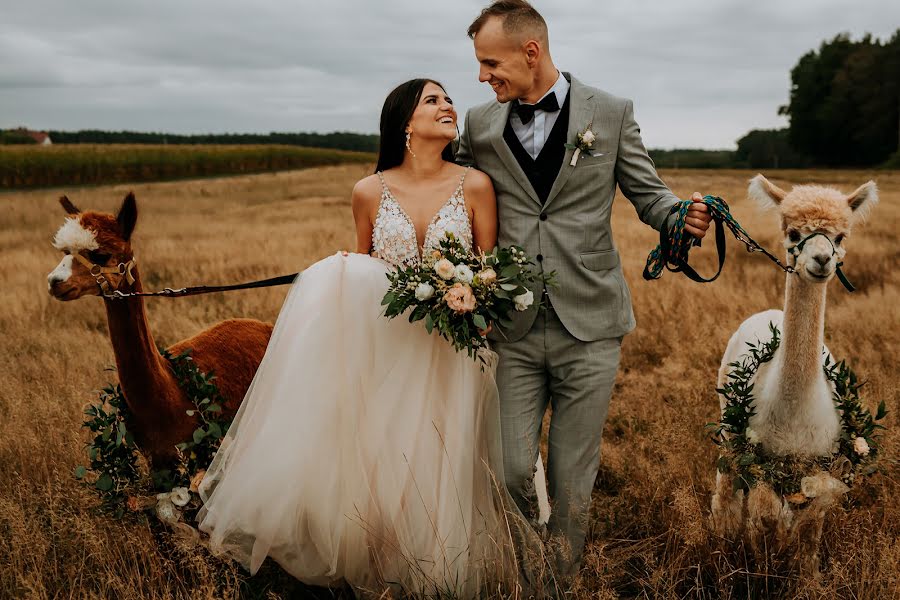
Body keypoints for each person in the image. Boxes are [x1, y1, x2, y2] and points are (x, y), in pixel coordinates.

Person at [197, 78, 542, 598]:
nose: (448, 106)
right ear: (405, 121)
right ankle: (375, 560)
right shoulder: (368, 191)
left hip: (452, 350)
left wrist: (471, 300)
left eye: (449, 99)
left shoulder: (475, 185)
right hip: (385, 346)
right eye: (433, 100)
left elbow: (487, 268)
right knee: (381, 458)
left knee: (443, 460)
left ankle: (436, 571)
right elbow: (363, 274)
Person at [455, 0, 713, 580]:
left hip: (591, 323)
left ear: (531, 51)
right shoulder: (478, 125)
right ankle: (524, 568)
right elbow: (451, 194)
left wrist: (681, 219)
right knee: (512, 466)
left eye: (490, 62)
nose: (481, 76)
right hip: (511, 325)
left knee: (572, 474)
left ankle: (559, 581)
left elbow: (650, 195)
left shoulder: (612, 112)